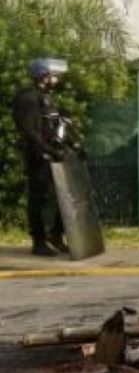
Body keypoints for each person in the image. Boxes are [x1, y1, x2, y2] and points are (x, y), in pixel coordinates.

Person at [12, 58, 71, 256]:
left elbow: (56, 126)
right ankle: (39, 242)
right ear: (42, 76)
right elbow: (29, 130)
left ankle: (56, 235)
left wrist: (72, 146)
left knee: (63, 196)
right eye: (53, 75)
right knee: (38, 198)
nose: (57, 78)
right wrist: (48, 149)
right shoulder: (28, 98)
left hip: (51, 153)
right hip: (38, 156)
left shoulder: (46, 98)